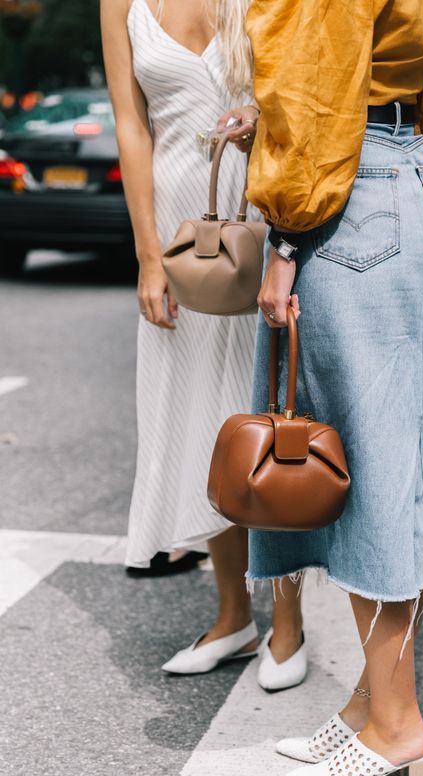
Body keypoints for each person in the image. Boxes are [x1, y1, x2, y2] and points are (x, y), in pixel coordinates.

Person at [244, 0, 423, 776]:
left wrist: (283, 237)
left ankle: (397, 729)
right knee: (385, 469)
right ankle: (370, 706)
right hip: (401, 181)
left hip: (347, 194)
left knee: (367, 481)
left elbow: (316, 86)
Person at [100, 0, 306, 691]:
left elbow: (298, 88)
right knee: (199, 421)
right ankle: (231, 617)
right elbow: (131, 125)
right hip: (178, 234)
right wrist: (148, 255)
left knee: (266, 420)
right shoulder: (119, 4)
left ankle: (287, 620)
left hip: (254, 216)